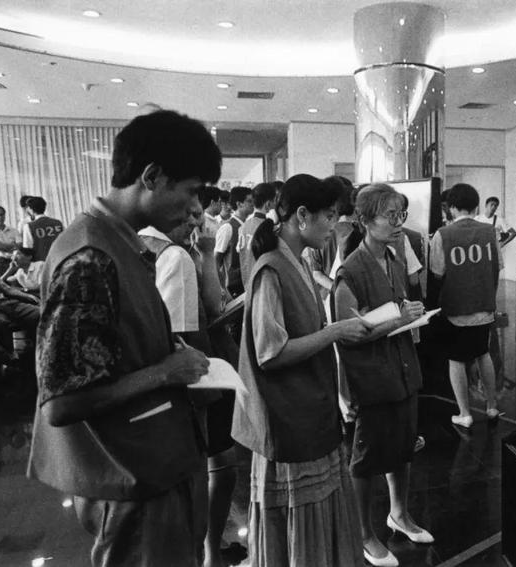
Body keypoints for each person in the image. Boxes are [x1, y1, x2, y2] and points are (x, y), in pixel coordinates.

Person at [27, 109, 221, 567]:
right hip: (131, 476)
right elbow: (62, 402)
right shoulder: (90, 256)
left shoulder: (119, 242)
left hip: (150, 466)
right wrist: (165, 372)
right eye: (191, 190)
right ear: (151, 177)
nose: (195, 207)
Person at [232, 173, 370, 567]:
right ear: (302, 215)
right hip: (288, 416)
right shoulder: (271, 268)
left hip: (306, 408)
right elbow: (270, 352)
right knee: (299, 520)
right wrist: (335, 331)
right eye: (329, 216)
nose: (333, 226)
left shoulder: (297, 262)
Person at [333, 183, 433, 567]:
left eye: (400, 214)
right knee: (367, 457)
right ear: (364, 220)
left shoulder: (394, 258)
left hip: (403, 370)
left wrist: (411, 315)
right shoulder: (350, 271)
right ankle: (364, 533)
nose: (397, 223)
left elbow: (397, 307)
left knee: (403, 447)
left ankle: (399, 514)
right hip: (373, 378)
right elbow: (348, 332)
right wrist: (399, 319)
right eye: (389, 215)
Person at [140, 194, 240, 567]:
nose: (197, 223)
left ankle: (207, 547)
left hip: (163, 384)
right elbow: (183, 331)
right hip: (195, 379)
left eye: (200, 215)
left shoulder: (142, 247)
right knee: (215, 467)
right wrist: (207, 257)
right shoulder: (175, 256)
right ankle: (207, 552)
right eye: (191, 214)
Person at [430, 183, 503, 428]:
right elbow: (498, 265)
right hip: (484, 306)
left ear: (451, 208)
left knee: (456, 360)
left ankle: (464, 413)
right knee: (483, 353)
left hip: (456, 309)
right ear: (476, 206)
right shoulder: (490, 231)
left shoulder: (443, 234)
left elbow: (437, 272)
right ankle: (492, 407)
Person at [236, 182, 276, 289]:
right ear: (268, 204)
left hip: (247, 282)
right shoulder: (267, 227)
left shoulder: (244, 226)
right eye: (274, 201)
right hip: (262, 283)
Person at [215, 186, 253, 296]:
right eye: (249, 201)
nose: (253, 204)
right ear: (239, 204)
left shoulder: (249, 225)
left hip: (247, 284)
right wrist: (222, 288)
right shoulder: (227, 228)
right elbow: (216, 260)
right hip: (233, 288)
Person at [22, 196, 64, 262]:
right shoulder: (58, 223)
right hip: (59, 260)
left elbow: (27, 250)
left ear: (31, 209)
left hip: (41, 263)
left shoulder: (29, 226)